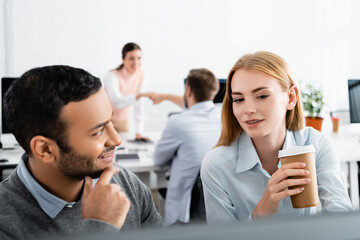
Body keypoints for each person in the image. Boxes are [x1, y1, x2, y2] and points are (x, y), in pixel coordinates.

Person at [0, 65, 163, 240]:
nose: (117, 140)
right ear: (45, 149)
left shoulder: (127, 184)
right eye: (98, 131)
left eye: (110, 122)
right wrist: (100, 228)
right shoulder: (6, 226)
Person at [201, 51, 353, 223]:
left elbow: (341, 220)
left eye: (262, 96)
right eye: (238, 99)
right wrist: (260, 213)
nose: (248, 109)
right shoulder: (216, 165)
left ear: (290, 97)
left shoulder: (317, 145)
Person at [152, 68, 222, 226]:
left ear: (188, 90)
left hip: (186, 209)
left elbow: (159, 159)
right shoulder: (223, 114)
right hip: (215, 202)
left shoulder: (177, 122)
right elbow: (196, 107)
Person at [103, 42, 150, 140]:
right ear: (123, 60)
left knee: (125, 150)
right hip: (105, 121)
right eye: (131, 58)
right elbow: (117, 102)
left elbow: (139, 104)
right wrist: (139, 96)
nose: (136, 62)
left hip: (123, 121)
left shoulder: (141, 73)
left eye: (139, 58)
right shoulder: (112, 76)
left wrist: (139, 132)